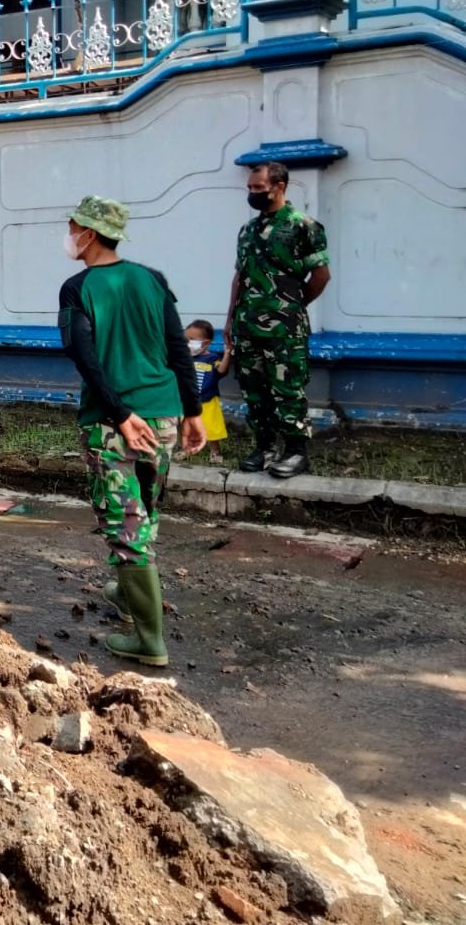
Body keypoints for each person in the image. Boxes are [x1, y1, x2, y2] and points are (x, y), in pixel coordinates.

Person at [58, 196, 204, 667]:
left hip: (113, 423)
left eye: (74, 226)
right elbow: (179, 349)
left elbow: (85, 356)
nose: (69, 234)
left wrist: (119, 413)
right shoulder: (152, 280)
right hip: (162, 415)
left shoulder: (77, 289)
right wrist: (193, 411)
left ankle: (149, 640)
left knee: (125, 523)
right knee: (146, 509)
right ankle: (126, 593)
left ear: (91, 234)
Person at [225, 162, 331, 479]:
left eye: (259, 188)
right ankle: (265, 447)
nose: (253, 193)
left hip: (285, 328)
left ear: (280, 185)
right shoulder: (248, 231)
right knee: (254, 392)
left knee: (288, 390)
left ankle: (296, 452)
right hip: (247, 326)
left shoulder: (303, 226)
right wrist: (230, 318)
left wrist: (292, 307)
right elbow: (239, 276)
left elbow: (321, 275)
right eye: (250, 188)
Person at [185, 318, 230, 465]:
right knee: (188, 427)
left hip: (208, 400)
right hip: (189, 400)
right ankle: (188, 449)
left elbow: (221, 370)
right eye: (186, 339)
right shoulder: (186, 358)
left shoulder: (212, 358)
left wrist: (227, 353)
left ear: (206, 342)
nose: (188, 342)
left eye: (192, 339)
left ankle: (215, 451)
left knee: (211, 427)